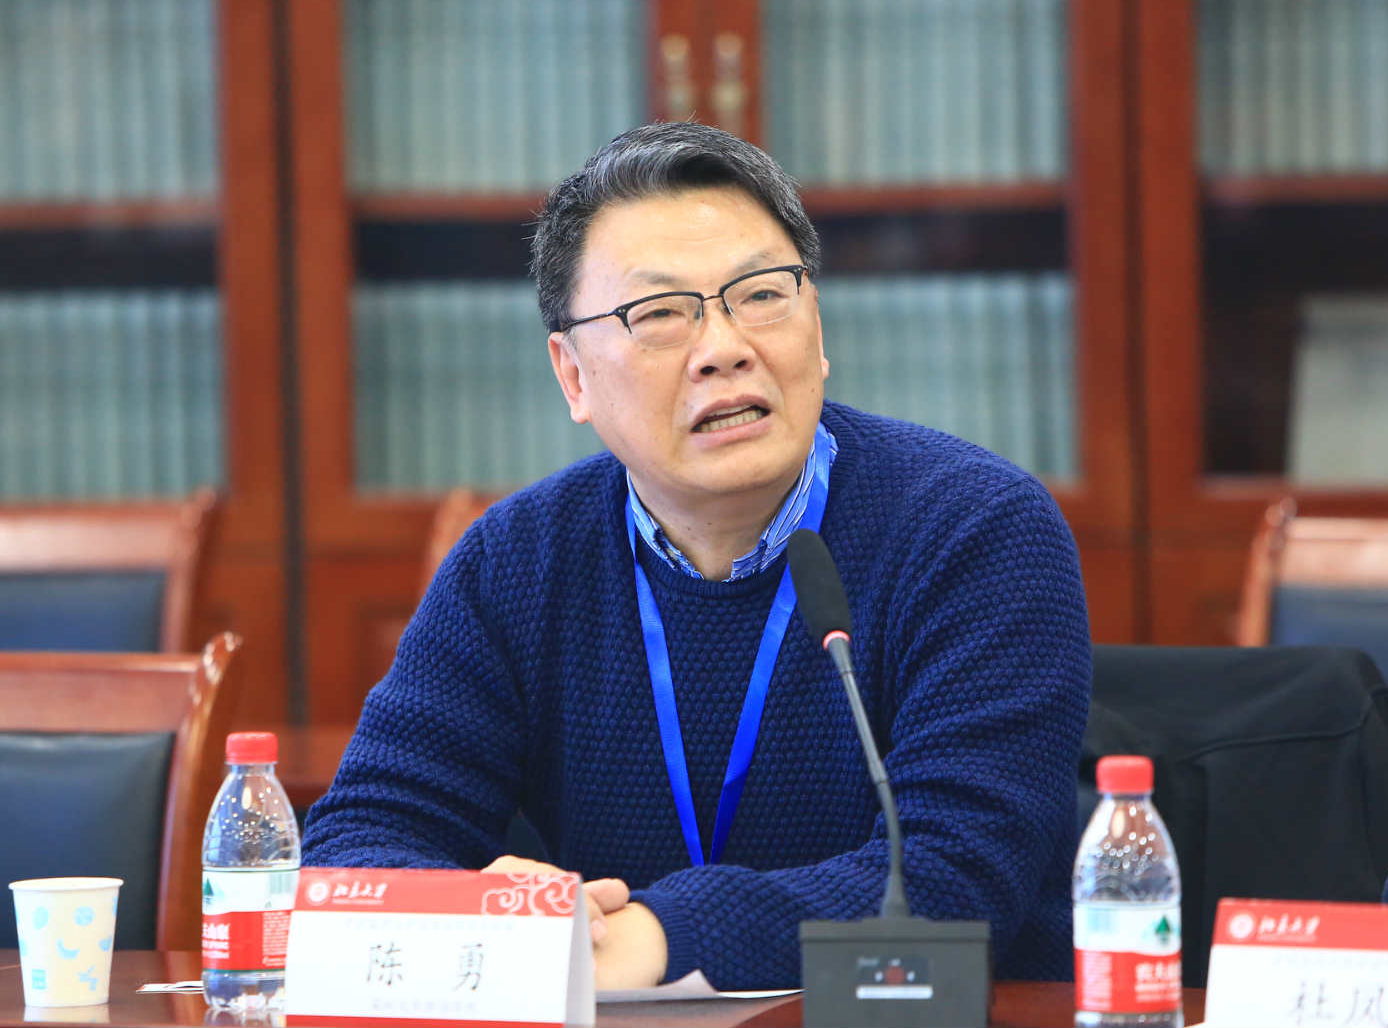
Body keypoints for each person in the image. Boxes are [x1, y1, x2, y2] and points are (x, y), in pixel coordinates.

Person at [302, 121, 1092, 990]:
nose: (724, 349)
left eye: (762, 294)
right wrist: (488, 915)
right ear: (573, 376)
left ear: (817, 326)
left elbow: (951, 878)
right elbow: (355, 846)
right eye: (659, 315)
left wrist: (657, 937)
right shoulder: (516, 564)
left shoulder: (975, 531)